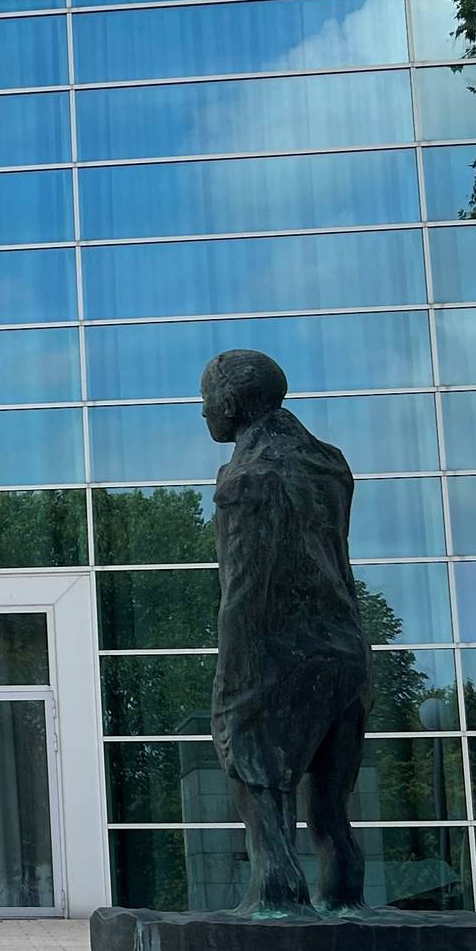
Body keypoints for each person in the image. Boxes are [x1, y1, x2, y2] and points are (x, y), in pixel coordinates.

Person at [202, 350, 370, 915]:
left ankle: (275, 893)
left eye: (206, 400)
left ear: (228, 403)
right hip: (345, 646)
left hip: (277, 647)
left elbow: (244, 592)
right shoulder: (330, 465)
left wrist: (233, 677)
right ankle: (344, 898)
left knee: (254, 772)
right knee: (329, 803)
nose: (203, 413)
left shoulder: (245, 480)